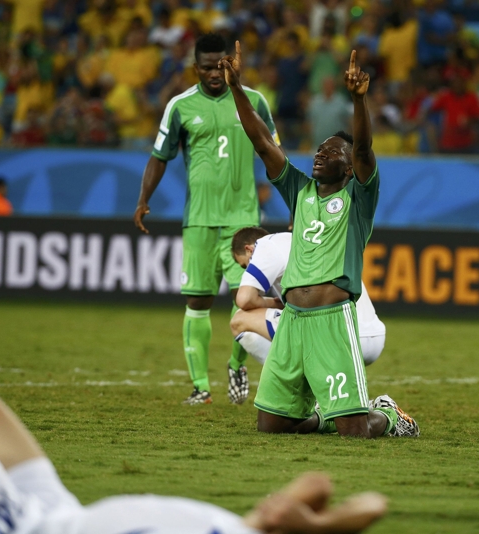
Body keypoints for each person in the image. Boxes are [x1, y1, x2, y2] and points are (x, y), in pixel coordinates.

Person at [220, 42, 418, 438]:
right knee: (272, 424)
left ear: (348, 167)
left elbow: (364, 147)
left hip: (332, 321)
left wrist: (358, 101)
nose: (319, 154)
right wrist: (237, 88)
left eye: (331, 151)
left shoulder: (358, 198)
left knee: (356, 431)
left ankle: (391, 417)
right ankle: (330, 417)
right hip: (293, 321)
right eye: (319, 148)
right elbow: (262, 143)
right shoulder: (300, 191)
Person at [0, 375, 388, 534]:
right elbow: (347, 495)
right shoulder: (248, 526)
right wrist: (313, 523)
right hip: (60, 509)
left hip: (14, 527)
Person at [133, 33, 278, 406]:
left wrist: (296, 202)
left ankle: (236, 365)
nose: (216, 72)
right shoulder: (180, 106)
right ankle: (200, 387)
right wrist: (143, 199)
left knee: (246, 302)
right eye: (208, 66)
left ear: (233, 62)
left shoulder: (255, 101)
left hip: (243, 221)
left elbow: (274, 155)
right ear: (195, 68)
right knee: (197, 301)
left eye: (222, 64)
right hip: (199, 222)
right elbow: (159, 155)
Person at [229, 227, 387, 371]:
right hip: (373, 338)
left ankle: (295, 382)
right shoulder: (302, 240)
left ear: (249, 250)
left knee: (239, 320)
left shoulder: (265, 246)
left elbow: (244, 299)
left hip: (337, 338)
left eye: (245, 265)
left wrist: (270, 302)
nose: (246, 270)